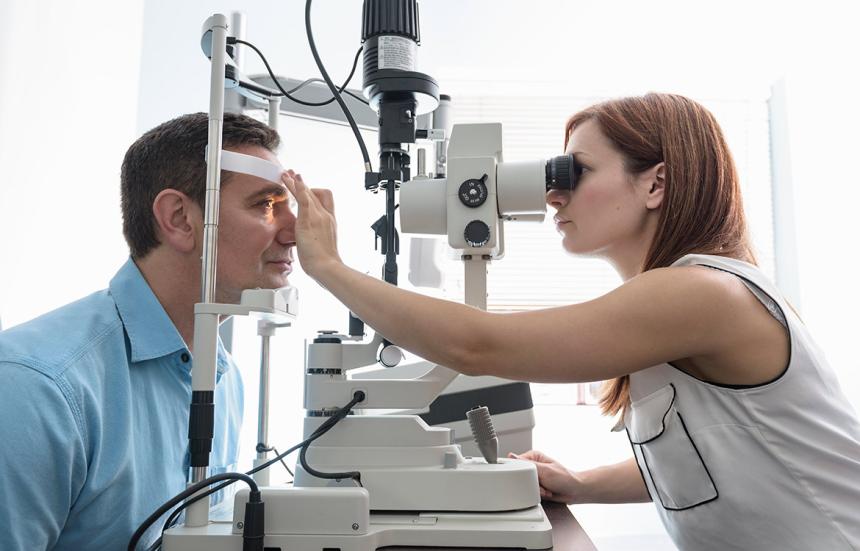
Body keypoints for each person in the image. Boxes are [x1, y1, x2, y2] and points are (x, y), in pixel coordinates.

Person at [282, 93, 860, 549]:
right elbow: (712, 459)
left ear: (655, 182)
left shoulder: (702, 294)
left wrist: (328, 267)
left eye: (575, 171)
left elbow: (480, 346)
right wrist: (582, 485)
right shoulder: (687, 298)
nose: (553, 194)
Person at [0, 112, 297, 550]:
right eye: (266, 205)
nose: (294, 232)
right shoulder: (37, 387)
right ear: (179, 218)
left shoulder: (222, 378)